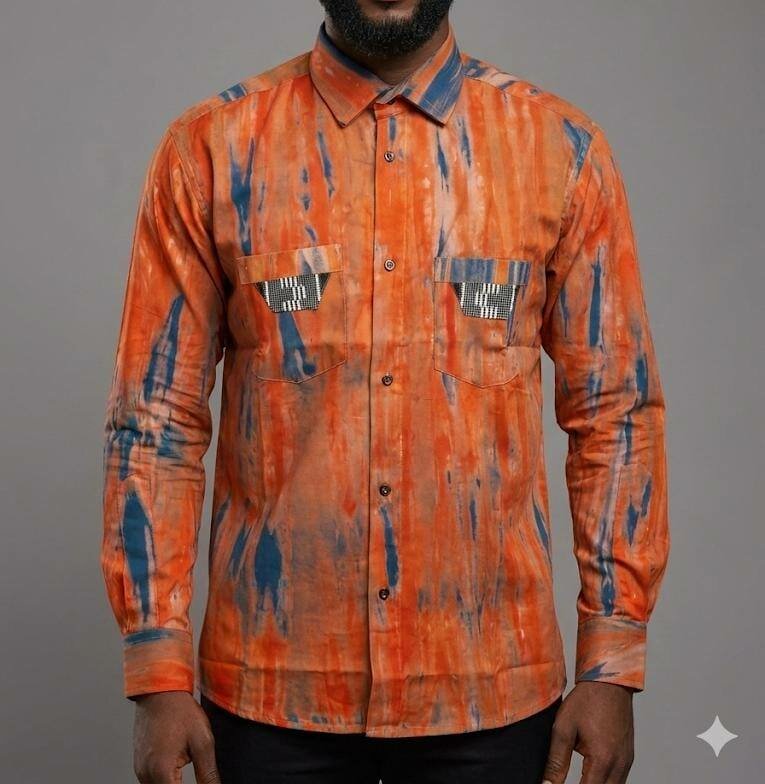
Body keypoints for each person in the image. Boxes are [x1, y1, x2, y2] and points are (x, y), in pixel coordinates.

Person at [101, 1, 670, 782]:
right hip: (269, 700)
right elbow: (154, 421)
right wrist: (156, 670)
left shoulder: (559, 150)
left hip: (492, 699)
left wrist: (611, 660)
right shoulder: (209, 149)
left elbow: (615, 415)